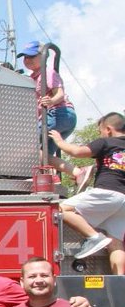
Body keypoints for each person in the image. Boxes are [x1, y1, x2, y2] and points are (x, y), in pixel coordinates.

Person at [48, 112, 125, 272]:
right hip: (123, 200)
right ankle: (120, 282)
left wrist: (59, 141)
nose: (100, 134)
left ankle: (94, 238)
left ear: (108, 129)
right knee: (116, 241)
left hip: (108, 191)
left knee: (61, 209)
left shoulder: (106, 142)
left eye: (100, 131)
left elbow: (77, 152)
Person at [17, 41, 76, 161]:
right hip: (61, 119)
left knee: (27, 143)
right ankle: (77, 172)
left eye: (31, 56)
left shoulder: (47, 73)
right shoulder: (32, 78)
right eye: (25, 57)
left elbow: (60, 93)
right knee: (44, 155)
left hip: (58, 114)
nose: (27, 60)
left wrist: (52, 101)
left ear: (43, 56)